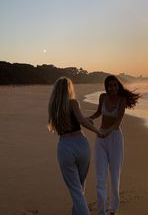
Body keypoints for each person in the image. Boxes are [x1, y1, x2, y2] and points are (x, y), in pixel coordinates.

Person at [48, 77, 105, 215]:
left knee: (75, 188)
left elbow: (76, 120)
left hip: (65, 147)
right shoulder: (73, 103)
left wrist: (87, 120)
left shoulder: (53, 107)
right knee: (80, 186)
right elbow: (80, 121)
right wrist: (98, 131)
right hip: (81, 144)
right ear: (69, 88)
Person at [88, 75, 140, 215]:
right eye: (110, 85)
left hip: (115, 139)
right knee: (100, 177)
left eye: (115, 85)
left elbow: (118, 122)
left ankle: (113, 209)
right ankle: (101, 212)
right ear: (106, 87)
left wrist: (107, 132)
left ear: (118, 86)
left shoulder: (122, 100)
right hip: (101, 139)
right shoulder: (102, 97)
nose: (113, 88)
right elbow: (99, 112)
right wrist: (90, 118)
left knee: (114, 175)